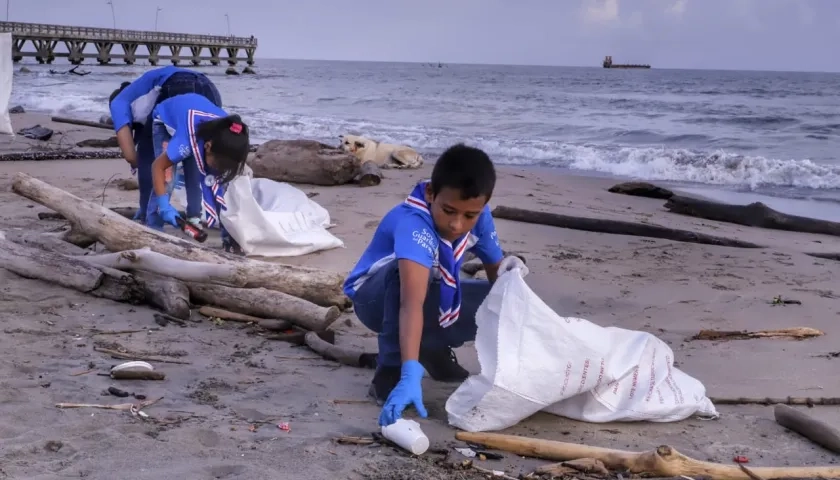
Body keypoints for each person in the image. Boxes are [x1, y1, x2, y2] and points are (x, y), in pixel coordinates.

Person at [343, 144, 527, 426]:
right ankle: (390, 371)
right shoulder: (413, 223)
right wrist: (408, 372)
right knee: (411, 278)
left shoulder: (480, 217)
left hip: (429, 296)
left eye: (469, 215)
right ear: (431, 194)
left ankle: (432, 350)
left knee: (507, 291)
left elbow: (496, 276)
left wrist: (513, 284)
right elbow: (410, 303)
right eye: (449, 210)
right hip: (375, 301)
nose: (456, 225)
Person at [108, 66, 223, 223]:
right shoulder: (145, 93)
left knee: (150, 157)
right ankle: (194, 216)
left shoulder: (120, 99)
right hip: (210, 91)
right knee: (195, 152)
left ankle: (150, 217)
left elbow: (132, 156)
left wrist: (138, 161)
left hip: (177, 86)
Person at [147, 93, 249, 254]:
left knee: (218, 184)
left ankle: (229, 238)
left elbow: (218, 188)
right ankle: (152, 230)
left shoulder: (228, 136)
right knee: (168, 179)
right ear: (207, 147)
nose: (219, 169)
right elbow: (157, 167)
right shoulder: (187, 141)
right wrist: (164, 205)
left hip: (197, 119)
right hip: (166, 121)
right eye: (218, 164)